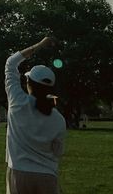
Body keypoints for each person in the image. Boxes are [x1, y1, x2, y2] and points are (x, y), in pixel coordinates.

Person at [5, 36, 66, 194]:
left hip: (19, 172)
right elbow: (58, 152)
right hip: (48, 175)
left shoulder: (17, 102)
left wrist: (39, 44)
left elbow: (11, 63)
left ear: (28, 83)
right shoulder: (59, 119)